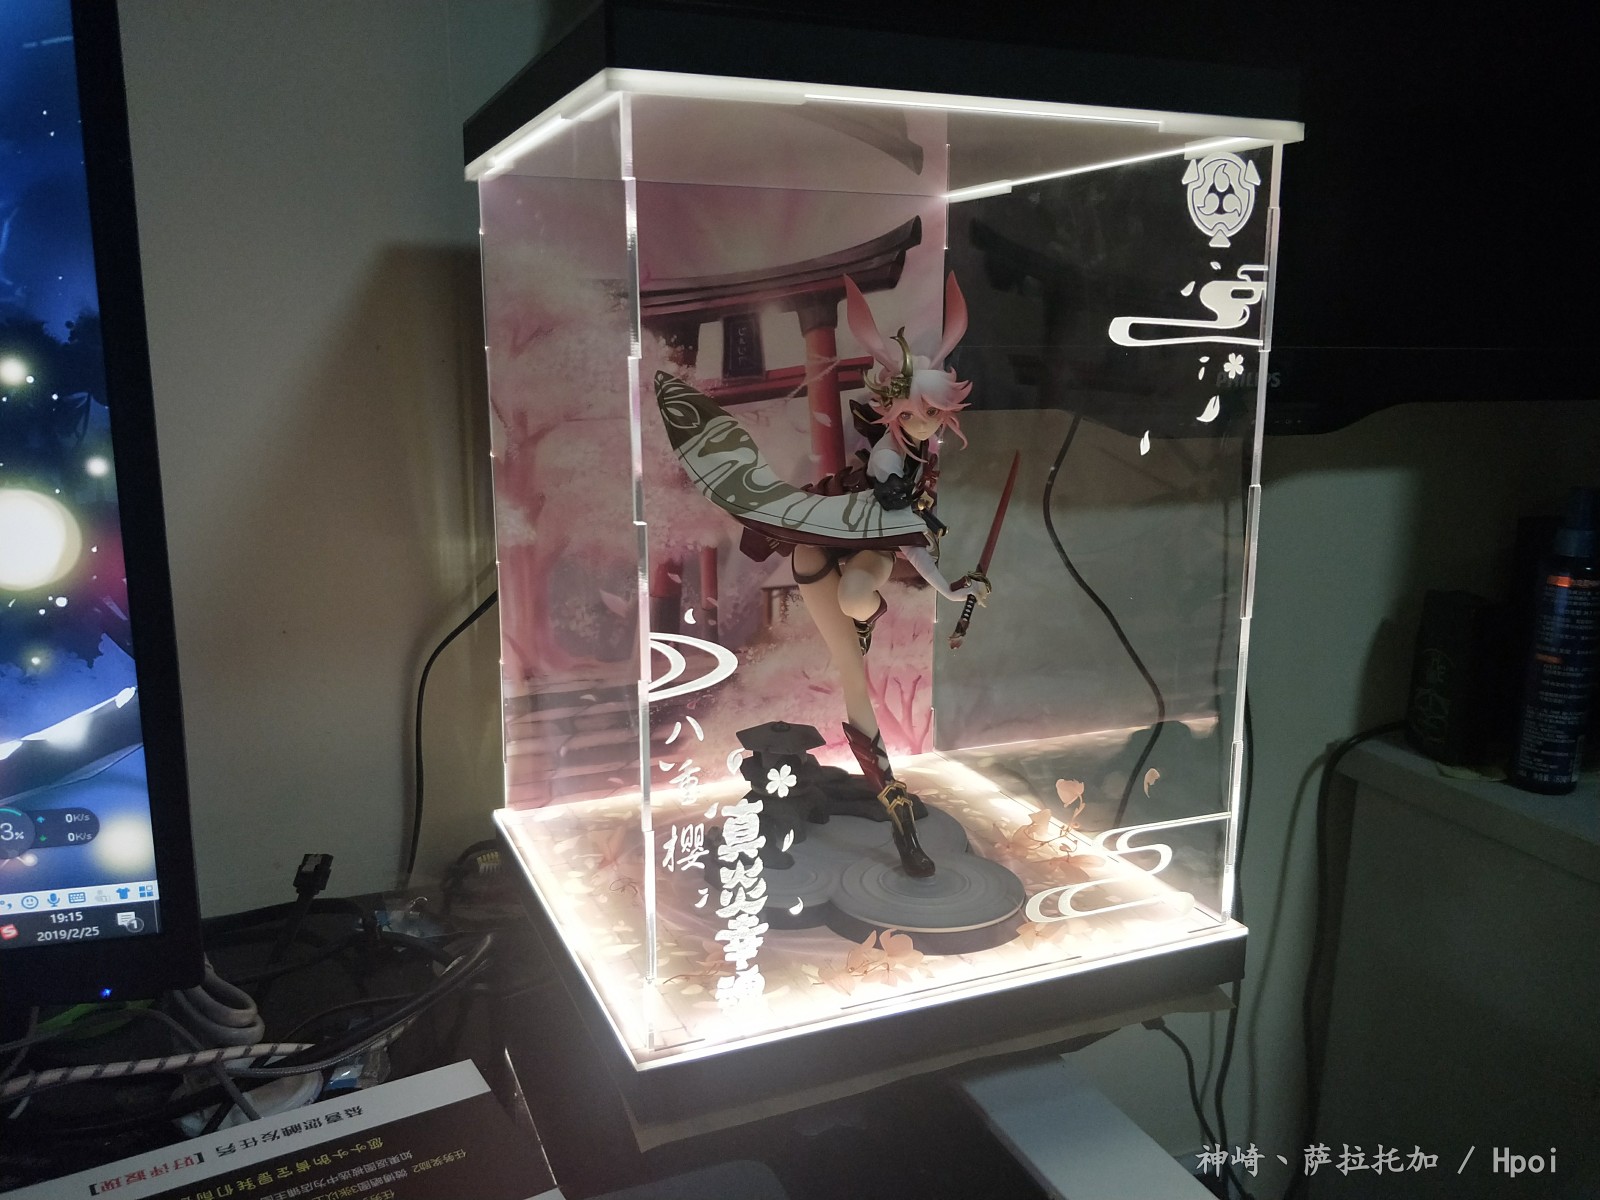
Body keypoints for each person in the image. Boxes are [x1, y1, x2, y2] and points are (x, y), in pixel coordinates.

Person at [654, 273, 989, 877]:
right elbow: (895, 520)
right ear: (897, 409)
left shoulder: (921, 464)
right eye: (925, 413)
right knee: (853, 677)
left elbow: (908, 542)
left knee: (859, 595)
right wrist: (939, 573)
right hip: (819, 548)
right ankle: (899, 818)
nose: (933, 423)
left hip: (868, 555)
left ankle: (899, 815)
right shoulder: (887, 461)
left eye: (939, 415)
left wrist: (954, 587)